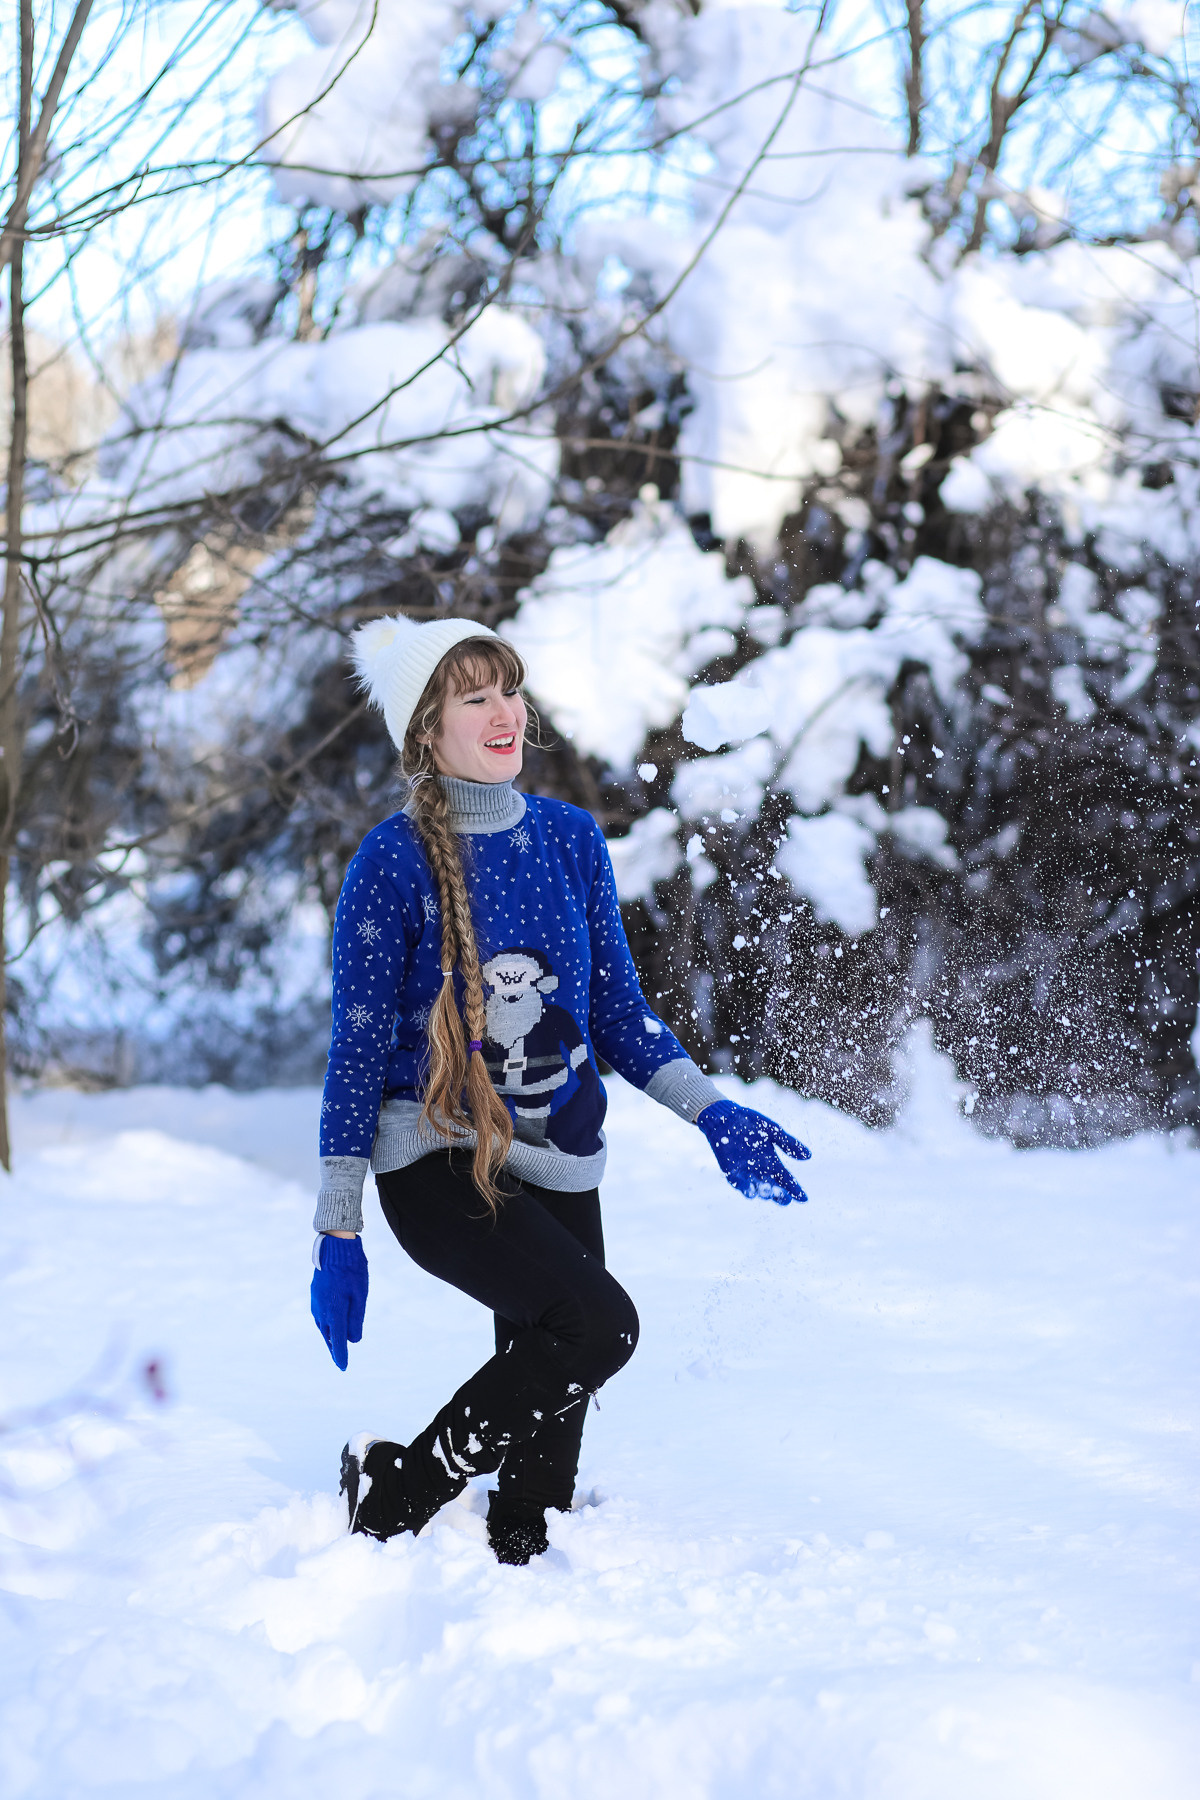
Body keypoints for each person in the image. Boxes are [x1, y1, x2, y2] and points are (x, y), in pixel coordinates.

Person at [310, 614, 810, 1564]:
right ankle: (396, 1495)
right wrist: (340, 1224)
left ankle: (519, 1579)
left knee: (538, 1497)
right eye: (475, 696)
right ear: (427, 729)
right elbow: (358, 1047)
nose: (506, 714)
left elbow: (618, 1011)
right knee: (598, 1327)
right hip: (438, 1155)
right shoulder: (391, 861)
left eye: (510, 689)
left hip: (559, 1152)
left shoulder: (573, 839)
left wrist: (713, 1113)